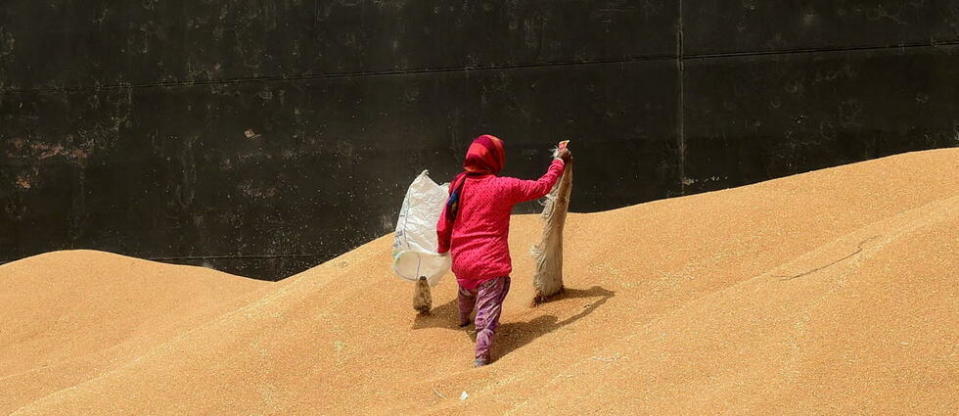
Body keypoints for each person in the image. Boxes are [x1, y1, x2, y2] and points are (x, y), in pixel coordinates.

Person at [436, 134, 571, 367]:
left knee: (467, 289)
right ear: (495, 159)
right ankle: (481, 355)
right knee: (490, 305)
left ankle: (462, 318)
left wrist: (442, 246)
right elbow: (542, 186)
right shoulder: (504, 186)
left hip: (462, 264)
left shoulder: (459, 183)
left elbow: (444, 221)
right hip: (489, 265)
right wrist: (559, 161)